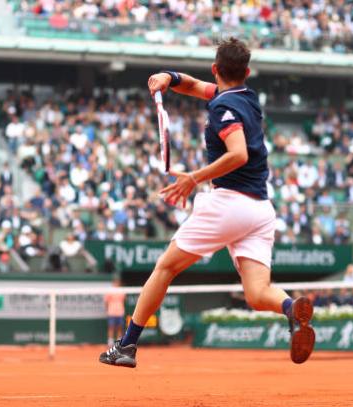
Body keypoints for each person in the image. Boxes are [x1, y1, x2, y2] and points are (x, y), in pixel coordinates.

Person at [100, 38, 315, 368]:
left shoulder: (221, 107)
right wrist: (169, 78)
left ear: (216, 69)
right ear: (247, 72)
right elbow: (196, 86)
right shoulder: (247, 98)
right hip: (260, 210)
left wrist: (193, 178)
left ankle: (126, 345)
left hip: (229, 204)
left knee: (165, 268)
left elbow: (239, 153)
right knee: (258, 294)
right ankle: (291, 310)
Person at [104, 278, 126, 346]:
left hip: (120, 312)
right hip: (111, 312)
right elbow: (106, 302)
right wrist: (107, 310)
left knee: (120, 327)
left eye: (117, 283)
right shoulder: (109, 291)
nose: (116, 284)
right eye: (115, 282)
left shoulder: (122, 291)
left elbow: (123, 300)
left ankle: (118, 342)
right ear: (113, 283)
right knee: (111, 327)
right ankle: (110, 342)